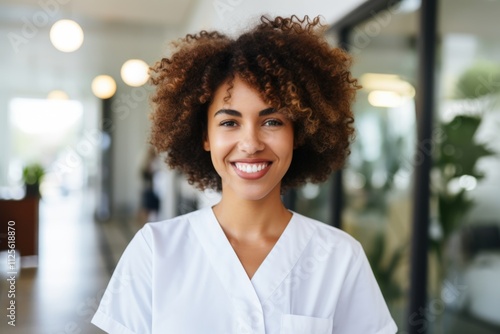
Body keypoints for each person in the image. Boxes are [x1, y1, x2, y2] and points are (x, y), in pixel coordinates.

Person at [92, 15, 398, 334]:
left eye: (272, 121)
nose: (250, 144)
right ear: (205, 136)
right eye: (229, 122)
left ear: (299, 133)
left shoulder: (338, 257)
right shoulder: (155, 251)